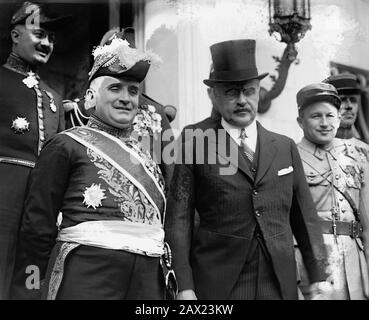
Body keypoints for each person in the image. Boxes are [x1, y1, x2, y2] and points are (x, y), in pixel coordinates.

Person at [165, 39, 330, 300]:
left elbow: (305, 219)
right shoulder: (194, 140)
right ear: (213, 95)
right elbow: (178, 220)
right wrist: (184, 286)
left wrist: (319, 278)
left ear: (258, 92)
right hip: (218, 284)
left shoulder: (284, 147)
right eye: (231, 92)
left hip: (278, 282)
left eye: (249, 91)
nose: (242, 100)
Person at [14, 34, 168, 299]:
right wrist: (29, 291)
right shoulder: (65, 145)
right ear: (90, 98)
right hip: (87, 277)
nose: (126, 98)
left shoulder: (147, 157)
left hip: (147, 283)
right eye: (115, 88)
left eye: (133, 91)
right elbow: (36, 230)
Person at [0, 1, 66, 300]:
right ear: (15, 35)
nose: (46, 43)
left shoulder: (53, 97)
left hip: (39, 209)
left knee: (30, 284)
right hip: (4, 201)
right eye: (39, 34)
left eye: (51, 38)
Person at [296, 82, 369, 299]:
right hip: (315, 264)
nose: (325, 123)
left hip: (355, 262)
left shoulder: (357, 157)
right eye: (316, 116)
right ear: (300, 121)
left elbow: (367, 224)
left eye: (330, 115)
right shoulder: (290, 155)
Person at [323, 74, 369, 163]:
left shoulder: (366, 150)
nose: (349, 106)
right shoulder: (314, 150)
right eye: (342, 100)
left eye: (353, 100)